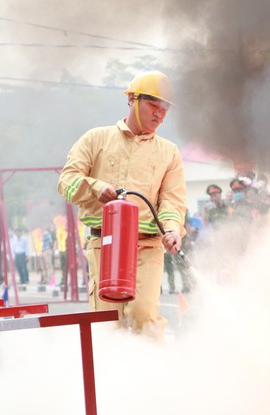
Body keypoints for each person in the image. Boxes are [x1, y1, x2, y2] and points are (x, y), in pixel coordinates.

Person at [57, 70, 186, 339]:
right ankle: (109, 379)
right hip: (104, 245)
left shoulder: (169, 152)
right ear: (132, 99)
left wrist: (173, 229)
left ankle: (152, 377)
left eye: (164, 109)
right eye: (153, 105)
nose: (159, 115)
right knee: (107, 323)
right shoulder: (96, 139)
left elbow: (172, 200)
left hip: (148, 245)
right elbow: (66, 182)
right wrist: (95, 187)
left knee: (144, 316)